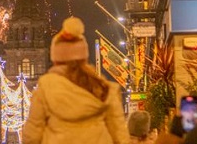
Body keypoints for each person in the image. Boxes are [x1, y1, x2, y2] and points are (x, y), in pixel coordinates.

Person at [22, 16, 129, 144]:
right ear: (83, 57)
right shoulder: (104, 88)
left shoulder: (45, 88)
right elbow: (120, 135)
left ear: (56, 59)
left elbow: (32, 135)